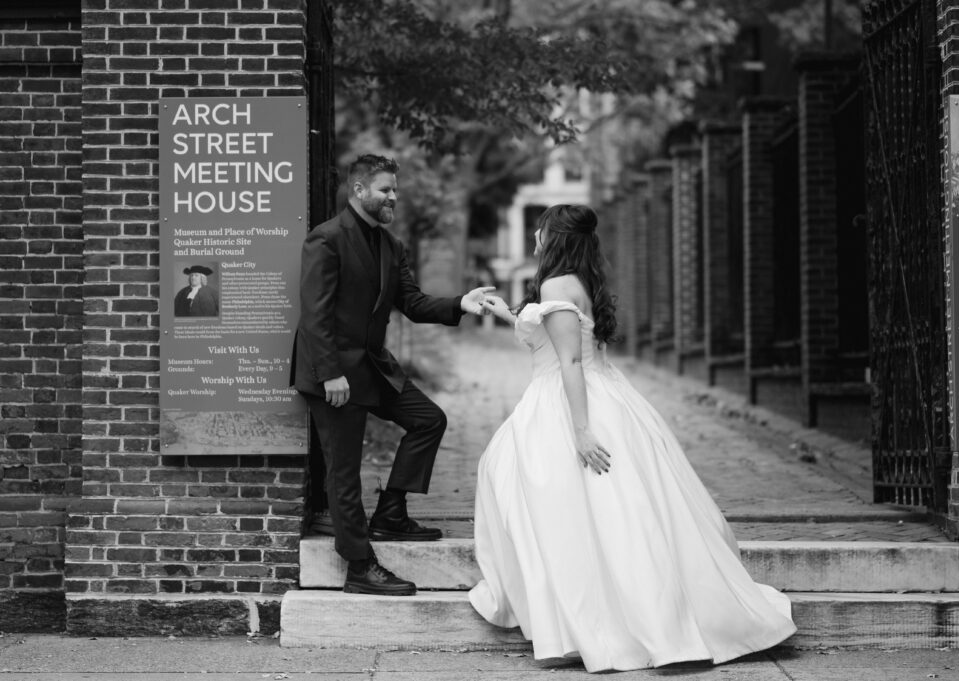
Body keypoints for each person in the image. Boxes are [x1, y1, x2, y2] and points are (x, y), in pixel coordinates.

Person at [471, 204, 796, 672]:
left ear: (554, 236)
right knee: (616, 513)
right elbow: (553, 340)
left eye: (541, 230)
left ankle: (588, 626)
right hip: (604, 394)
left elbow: (571, 363)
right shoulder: (581, 281)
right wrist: (507, 313)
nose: (536, 236)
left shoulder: (554, 285)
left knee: (569, 510)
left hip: (570, 403)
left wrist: (581, 432)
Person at [290, 154, 493, 597]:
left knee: (428, 420)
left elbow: (414, 304)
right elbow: (315, 315)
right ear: (359, 190)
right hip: (334, 376)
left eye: (395, 190)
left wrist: (460, 303)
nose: (393, 197)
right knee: (344, 472)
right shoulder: (325, 240)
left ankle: (391, 514)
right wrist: (329, 374)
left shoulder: (390, 246)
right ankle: (359, 566)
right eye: (385, 189)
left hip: (373, 368)